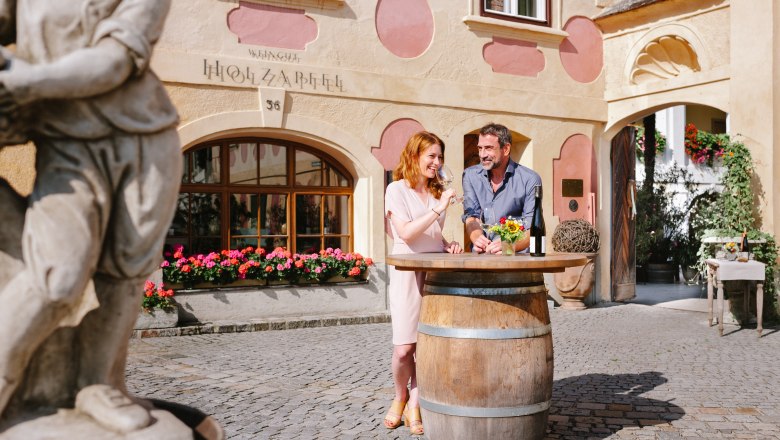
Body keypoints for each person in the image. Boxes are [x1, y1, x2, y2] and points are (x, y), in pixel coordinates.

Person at [0, 0, 182, 433]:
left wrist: (24, 83)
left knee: (127, 269)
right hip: (65, 143)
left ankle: (97, 384)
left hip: (145, 137)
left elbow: (114, 62)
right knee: (57, 276)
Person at [383, 131, 463, 435]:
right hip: (406, 273)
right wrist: (440, 207)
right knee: (404, 348)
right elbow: (406, 233)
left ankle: (415, 403)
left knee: (426, 346)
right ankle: (400, 395)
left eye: (440, 157)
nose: (437, 162)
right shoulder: (396, 190)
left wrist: (447, 244)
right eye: (431, 156)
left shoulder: (434, 192)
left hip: (434, 273)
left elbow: (430, 234)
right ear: (414, 156)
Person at [462, 123, 542, 254]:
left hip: (517, 261)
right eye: (480, 148)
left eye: (488, 148)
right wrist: (477, 238)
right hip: (482, 259)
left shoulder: (530, 179)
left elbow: (533, 228)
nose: (482, 155)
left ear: (506, 149)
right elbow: (472, 216)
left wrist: (508, 246)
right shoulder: (470, 176)